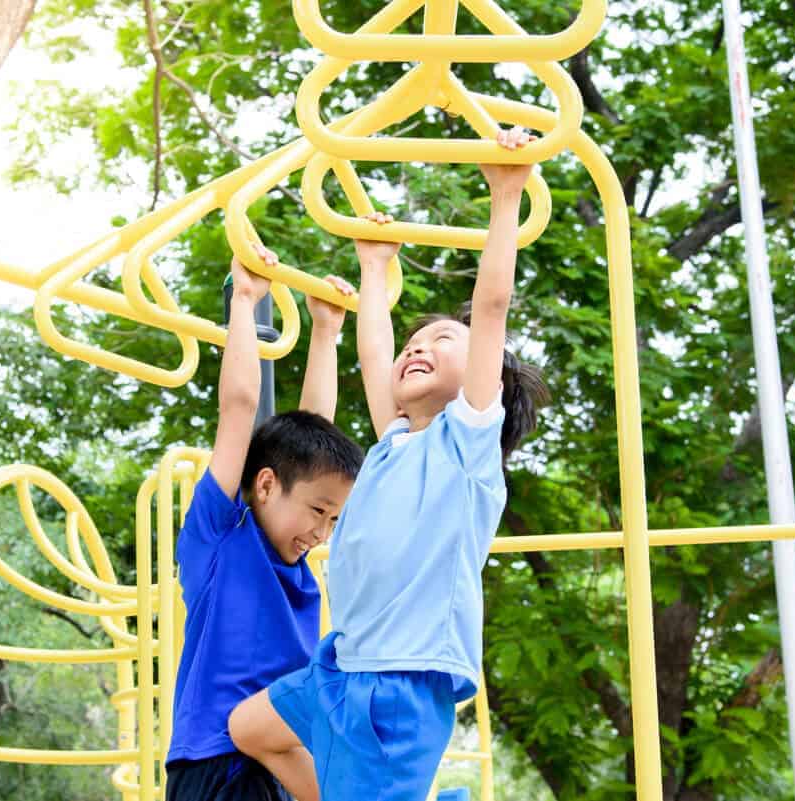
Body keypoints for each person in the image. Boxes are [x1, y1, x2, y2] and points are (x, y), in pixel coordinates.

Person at [228, 126, 551, 801]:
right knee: (248, 726)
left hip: (400, 683)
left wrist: (506, 198)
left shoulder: (465, 444)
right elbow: (375, 354)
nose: (418, 346)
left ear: (479, 378)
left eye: (442, 340)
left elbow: (490, 307)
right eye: (416, 339)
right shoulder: (393, 442)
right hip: (341, 667)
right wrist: (374, 265)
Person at [165, 244, 366, 801]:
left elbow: (315, 432)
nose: (322, 532)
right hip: (214, 761)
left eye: (333, 519)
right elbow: (239, 406)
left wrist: (326, 333)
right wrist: (246, 298)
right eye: (318, 513)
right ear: (267, 485)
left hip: (280, 760)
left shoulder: (297, 568)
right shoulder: (220, 538)